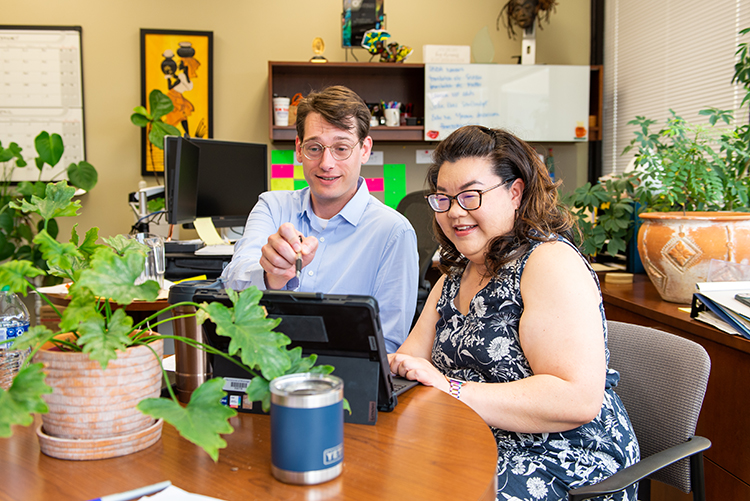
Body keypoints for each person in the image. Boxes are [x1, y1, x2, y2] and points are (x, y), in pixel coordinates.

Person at [388, 125, 640, 500]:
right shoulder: (452, 279)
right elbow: (407, 364)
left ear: (515, 192)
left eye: (471, 196)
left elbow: (576, 399)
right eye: (444, 198)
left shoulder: (549, 263)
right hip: (472, 438)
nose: (456, 212)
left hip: (561, 457)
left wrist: (450, 389)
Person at [221, 85, 418, 352]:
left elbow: (389, 343)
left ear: (364, 149)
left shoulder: (394, 231)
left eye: (341, 148)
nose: (326, 163)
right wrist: (271, 277)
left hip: (345, 377)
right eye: (315, 148)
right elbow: (232, 283)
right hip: (264, 365)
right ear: (299, 149)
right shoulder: (272, 206)